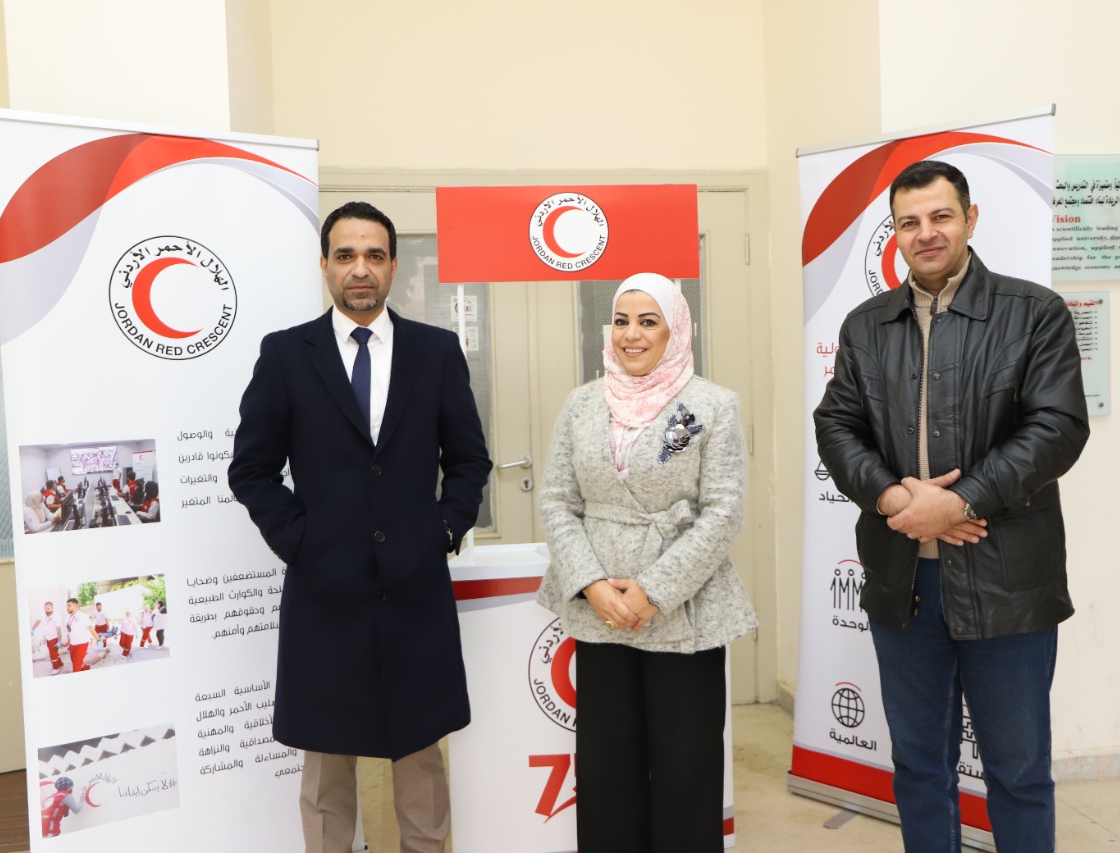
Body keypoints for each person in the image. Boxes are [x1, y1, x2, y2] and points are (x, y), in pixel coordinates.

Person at [813, 160, 1090, 852]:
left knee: (1018, 771)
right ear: (895, 233)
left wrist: (960, 501)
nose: (926, 233)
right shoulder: (866, 325)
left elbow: (1057, 428)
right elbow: (836, 425)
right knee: (918, 766)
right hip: (904, 579)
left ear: (970, 219)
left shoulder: (1034, 313)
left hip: (1006, 580)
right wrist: (892, 495)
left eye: (940, 216)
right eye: (909, 222)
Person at [229, 200, 491, 853]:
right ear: (325, 264)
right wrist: (300, 541)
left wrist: (443, 530)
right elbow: (252, 469)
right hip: (325, 593)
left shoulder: (436, 351)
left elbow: (468, 460)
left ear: (394, 265)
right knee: (325, 765)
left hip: (414, 589)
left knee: (421, 759)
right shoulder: (287, 355)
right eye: (346, 255)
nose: (360, 269)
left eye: (374, 255)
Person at [537, 272, 757, 853]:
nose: (631, 335)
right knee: (607, 770)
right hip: (601, 611)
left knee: (687, 770)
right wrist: (591, 585)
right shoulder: (581, 404)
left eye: (648, 321)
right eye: (621, 321)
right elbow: (557, 499)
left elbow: (723, 511)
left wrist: (653, 591)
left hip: (684, 612)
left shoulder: (713, 405)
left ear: (676, 329)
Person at [31, 601, 64, 672]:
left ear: (52, 608)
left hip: (54, 638)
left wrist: (59, 641)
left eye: (48, 608)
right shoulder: (43, 614)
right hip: (48, 638)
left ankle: (56, 668)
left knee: (52, 654)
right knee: (54, 652)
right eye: (45, 608)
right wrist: (33, 628)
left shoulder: (56, 617)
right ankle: (60, 663)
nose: (46, 610)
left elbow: (59, 630)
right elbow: (38, 621)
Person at [64, 599, 94, 672]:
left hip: (82, 643)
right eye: (67, 606)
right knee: (74, 661)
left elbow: (90, 629)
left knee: (76, 668)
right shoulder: (67, 617)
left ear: (76, 606)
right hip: (72, 644)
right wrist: (68, 641)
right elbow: (69, 631)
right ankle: (84, 667)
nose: (67, 607)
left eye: (69, 605)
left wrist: (98, 639)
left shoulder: (83, 616)